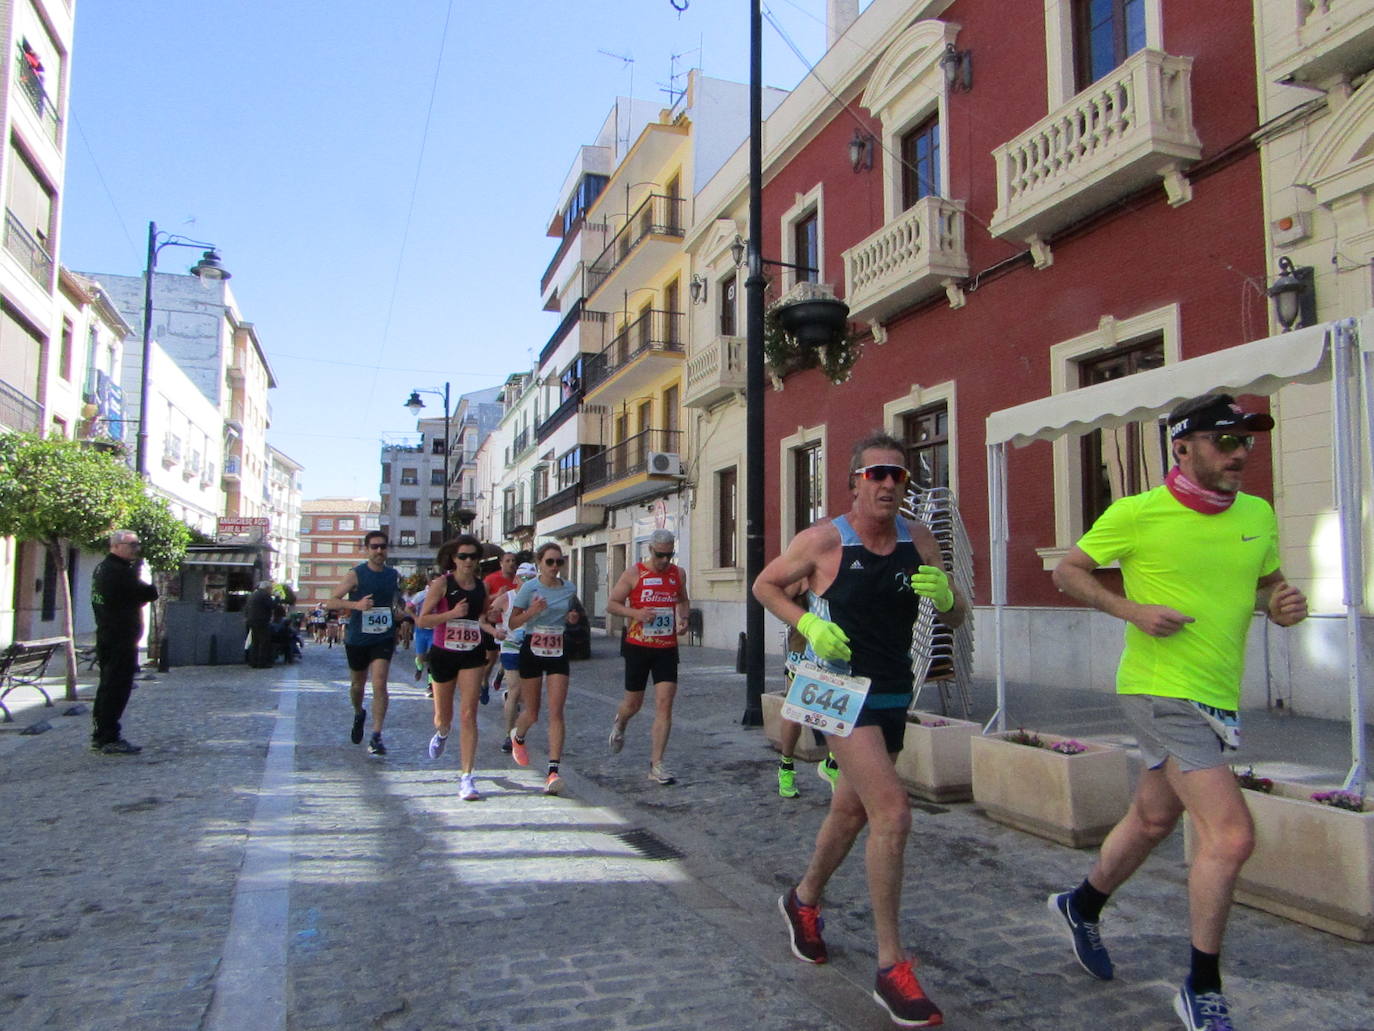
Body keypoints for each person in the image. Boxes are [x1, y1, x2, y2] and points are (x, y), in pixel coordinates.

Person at [1047, 394, 1308, 1031]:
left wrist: (1279, 602)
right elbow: (1068, 571)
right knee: (1232, 834)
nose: (1241, 452)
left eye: (1246, 440)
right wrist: (1132, 611)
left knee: (1154, 814)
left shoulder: (1257, 513)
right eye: (1226, 441)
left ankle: (1081, 905)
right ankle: (1201, 986)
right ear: (1183, 447)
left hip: (1217, 693)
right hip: (1160, 688)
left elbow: (1264, 583)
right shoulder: (1138, 513)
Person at [753, 430, 968, 1029]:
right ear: (854, 481)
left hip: (894, 688)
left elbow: (958, 613)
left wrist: (947, 594)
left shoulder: (918, 538)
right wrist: (808, 625)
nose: (889, 484)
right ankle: (891, 966)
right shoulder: (824, 540)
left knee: (850, 811)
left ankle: (803, 900)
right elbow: (765, 584)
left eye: (899, 475)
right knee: (892, 811)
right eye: (877, 473)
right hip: (836, 688)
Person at [606, 529, 690, 785]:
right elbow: (611, 604)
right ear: (650, 550)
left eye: (669, 555)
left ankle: (657, 764)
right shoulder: (634, 573)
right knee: (633, 704)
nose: (665, 561)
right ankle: (620, 722)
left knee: (665, 703)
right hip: (638, 646)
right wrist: (636, 614)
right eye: (660, 555)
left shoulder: (678, 574)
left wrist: (683, 618)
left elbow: (683, 600)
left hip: (666, 647)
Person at [418, 535, 492, 801]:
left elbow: (481, 617)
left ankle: (467, 777)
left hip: (471, 653)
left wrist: (491, 620)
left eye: (473, 556)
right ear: (453, 559)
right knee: (444, 717)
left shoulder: (481, 587)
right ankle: (441, 732)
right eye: (463, 556)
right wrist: (451, 614)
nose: (469, 561)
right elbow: (422, 620)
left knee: (469, 713)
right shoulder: (442, 584)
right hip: (443, 653)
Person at [507, 541, 581, 795]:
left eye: (559, 562)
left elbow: (571, 616)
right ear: (540, 563)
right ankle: (518, 736)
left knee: (556, 711)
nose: (554, 567)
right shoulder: (530, 588)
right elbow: (513, 622)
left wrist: (572, 619)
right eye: (550, 562)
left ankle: (553, 772)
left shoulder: (569, 588)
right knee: (533, 712)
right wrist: (532, 611)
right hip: (532, 647)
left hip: (557, 648)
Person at [329, 530, 404, 755]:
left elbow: (395, 601)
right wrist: (356, 606)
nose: (379, 550)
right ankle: (359, 712)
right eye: (374, 547)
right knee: (357, 686)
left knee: (379, 684)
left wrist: (398, 612)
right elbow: (331, 601)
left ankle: (376, 735)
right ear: (367, 549)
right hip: (358, 638)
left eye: (383, 546)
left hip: (383, 636)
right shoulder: (356, 574)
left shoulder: (393, 575)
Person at [89, 529, 159, 755]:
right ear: (116, 546)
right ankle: (109, 736)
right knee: (116, 688)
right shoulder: (118, 572)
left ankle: (101, 733)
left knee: (107, 686)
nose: (136, 549)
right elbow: (150, 593)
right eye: (132, 545)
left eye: (137, 545)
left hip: (109, 635)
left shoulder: (102, 569)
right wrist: (141, 579)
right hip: (119, 638)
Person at [492, 561, 537, 754]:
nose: (528, 583)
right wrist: (496, 629)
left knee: (528, 698)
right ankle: (509, 736)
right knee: (516, 689)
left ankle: (517, 729)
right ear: (516, 579)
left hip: (533, 648)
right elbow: (488, 615)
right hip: (511, 647)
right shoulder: (507, 598)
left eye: (532, 579)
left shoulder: (539, 599)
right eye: (524, 578)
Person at [483, 550, 520, 699]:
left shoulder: (519, 580)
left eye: (513, 561)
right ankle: (484, 681)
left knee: (510, 653)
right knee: (491, 658)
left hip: (511, 626)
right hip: (493, 624)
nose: (511, 563)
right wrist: (496, 595)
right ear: (501, 563)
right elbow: (482, 600)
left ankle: (501, 676)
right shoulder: (491, 579)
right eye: (508, 561)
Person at [244, 580, 276, 668]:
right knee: (263, 642)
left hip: (252, 620)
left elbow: (246, 608)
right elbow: (272, 606)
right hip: (262, 621)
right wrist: (277, 598)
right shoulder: (265, 595)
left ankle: (253, 662)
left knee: (255, 642)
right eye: (271, 589)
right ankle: (262, 663)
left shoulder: (253, 594)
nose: (271, 590)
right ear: (267, 588)